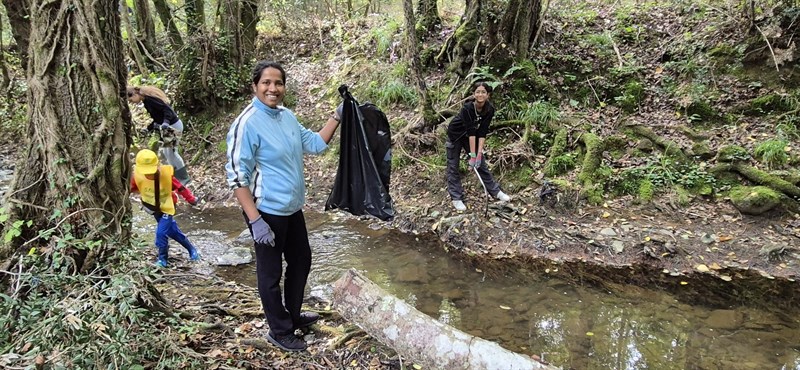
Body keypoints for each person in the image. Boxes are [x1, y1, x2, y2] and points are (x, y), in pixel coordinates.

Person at [225, 61, 341, 352]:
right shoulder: (247, 123)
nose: (272, 89)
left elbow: (314, 144)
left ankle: (293, 314)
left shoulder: (287, 117)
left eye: (278, 83)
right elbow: (238, 177)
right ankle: (279, 330)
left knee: (301, 262)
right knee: (270, 274)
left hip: (292, 209)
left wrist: (337, 117)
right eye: (266, 83)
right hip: (266, 212)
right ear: (255, 86)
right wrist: (254, 220)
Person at [446, 81, 511, 211]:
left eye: (483, 92)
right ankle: (456, 198)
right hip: (455, 135)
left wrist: (478, 155)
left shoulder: (489, 109)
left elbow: (482, 132)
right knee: (453, 166)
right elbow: (471, 131)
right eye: (478, 92)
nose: (480, 94)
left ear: (488, 95)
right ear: (473, 94)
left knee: (480, 163)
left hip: (472, 136)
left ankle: (495, 191)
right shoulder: (468, 108)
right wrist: (472, 156)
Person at [131, 149, 200, 267]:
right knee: (173, 232)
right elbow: (131, 188)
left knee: (161, 233)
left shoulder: (166, 175)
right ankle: (192, 250)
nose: (148, 174)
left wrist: (191, 199)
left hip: (167, 207)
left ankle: (162, 259)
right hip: (153, 208)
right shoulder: (136, 176)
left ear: (157, 165)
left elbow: (180, 187)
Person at [127, 85, 191, 185]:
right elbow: (157, 118)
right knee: (167, 153)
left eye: (130, 99)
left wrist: (166, 122)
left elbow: (167, 110)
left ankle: (184, 179)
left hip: (173, 126)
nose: (131, 102)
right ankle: (175, 177)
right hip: (166, 128)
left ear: (134, 94)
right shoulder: (146, 102)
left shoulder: (150, 100)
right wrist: (148, 128)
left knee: (172, 153)